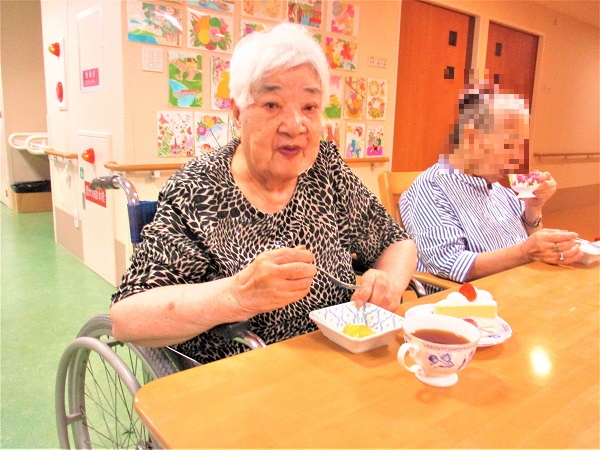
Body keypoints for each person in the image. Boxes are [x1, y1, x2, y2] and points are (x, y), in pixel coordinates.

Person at [110, 23, 417, 365]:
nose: (295, 125)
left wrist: (388, 283)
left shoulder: (325, 169)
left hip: (338, 360)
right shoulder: (197, 188)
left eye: (310, 107)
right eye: (272, 104)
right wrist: (238, 295)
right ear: (238, 112)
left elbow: (397, 243)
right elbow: (127, 318)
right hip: (242, 375)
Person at [399, 81, 582, 286]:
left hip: (523, 284)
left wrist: (533, 208)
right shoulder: (432, 188)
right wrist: (525, 252)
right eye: (508, 145)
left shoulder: (498, 189)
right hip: (475, 297)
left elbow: (532, 237)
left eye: (520, 147)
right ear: (471, 138)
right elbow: (449, 264)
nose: (517, 158)